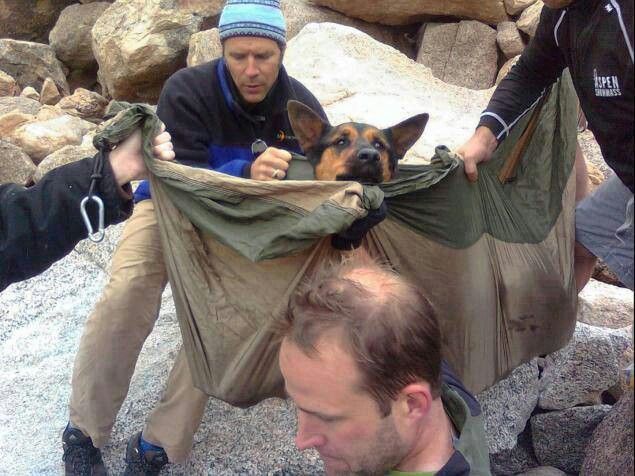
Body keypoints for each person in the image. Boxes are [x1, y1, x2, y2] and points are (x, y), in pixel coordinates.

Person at [62, 1, 330, 475]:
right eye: (239, 56)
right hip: (170, 206)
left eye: (264, 56)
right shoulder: (186, 89)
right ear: (222, 50)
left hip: (241, 225)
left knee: (219, 322)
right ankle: (84, 430)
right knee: (127, 292)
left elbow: (323, 178)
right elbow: (178, 174)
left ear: (282, 52)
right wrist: (246, 172)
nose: (251, 70)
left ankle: (157, 444)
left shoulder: (300, 110)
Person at [457, 0, 633, 291]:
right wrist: (485, 137)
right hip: (628, 177)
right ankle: (556, 318)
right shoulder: (561, 14)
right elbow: (531, 73)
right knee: (582, 238)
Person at [277, 253, 491, 475]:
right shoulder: (419, 363)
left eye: (327, 418)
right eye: (297, 405)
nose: (301, 440)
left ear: (413, 404)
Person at [0, 128, 174, 292]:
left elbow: (11, 229)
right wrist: (106, 174)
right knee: (127, 288)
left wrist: (112, 170)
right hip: (153, 199)